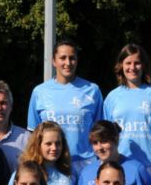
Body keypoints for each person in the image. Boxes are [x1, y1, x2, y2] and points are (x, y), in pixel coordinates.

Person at [27, 39, 103, 174]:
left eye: (72, 58)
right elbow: (33, 135)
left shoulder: (92, 90)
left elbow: (100, 132)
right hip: (51, 166)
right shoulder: (39, 92)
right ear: (53, 61)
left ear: (77, 60)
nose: (68, 63)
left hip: (85, 165)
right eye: (63, 58)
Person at [103, 43, 151, 170]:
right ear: (121, 66)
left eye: (137, 63)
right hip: (122, 165)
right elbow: (107, 136)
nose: (132, 67)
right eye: (128, 63)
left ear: (143, 65)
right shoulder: (112, 97)